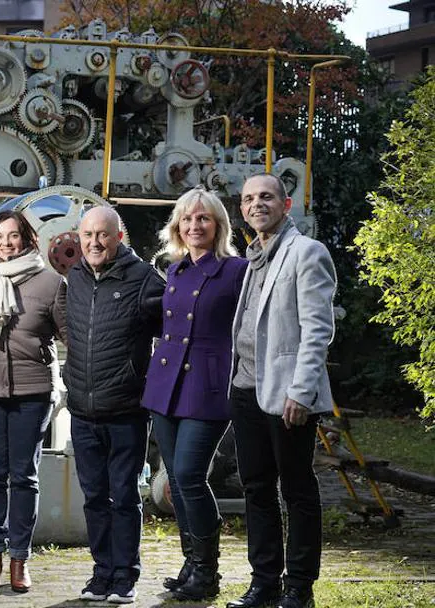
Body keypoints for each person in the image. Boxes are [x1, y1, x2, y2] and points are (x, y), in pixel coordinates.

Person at [226, 174, 336, 608]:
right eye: (249, 198)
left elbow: (318, 331)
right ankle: (264, 584)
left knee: (297, 490)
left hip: (287, 394)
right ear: (242, 209)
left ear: (285, 205)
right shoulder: (252, 256)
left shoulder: (306, 253)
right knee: (256, 487)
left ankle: (299, 589)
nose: (257, 204)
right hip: (246, 388)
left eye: (266, 197)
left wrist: (302, 391)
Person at [141, 186, 248, 601]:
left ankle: (208, 571)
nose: (194, 225)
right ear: (177, 227)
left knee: (188, 475)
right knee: (177, 482)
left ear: (218, 224)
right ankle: (191, 563)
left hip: (207, 384)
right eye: (186, 219)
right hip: (166, 385)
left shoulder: (236, 270)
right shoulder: (175, 270)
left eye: (202, 218)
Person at [64, 205, 164, 604]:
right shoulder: (74, 277)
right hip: (82, 411)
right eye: (87, 235)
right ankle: (101, 573)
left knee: (123, 496)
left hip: (125, 410)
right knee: (93, 497)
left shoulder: (143, 278)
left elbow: (171, 332)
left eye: (102, 235)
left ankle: (125, 576)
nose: (93, 242)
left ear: (118, 237)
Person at [0, 210, 67, 593]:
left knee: (23, 476)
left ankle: (20, 559)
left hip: (32, 391)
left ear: (27, 239)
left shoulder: (50, 281)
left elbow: (68, 333)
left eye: (13, 236)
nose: (5, 243)